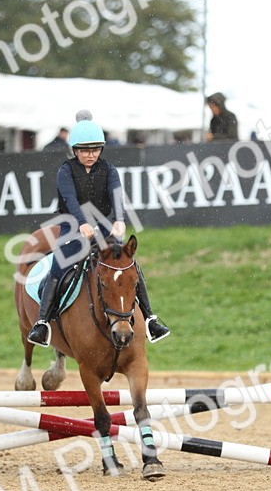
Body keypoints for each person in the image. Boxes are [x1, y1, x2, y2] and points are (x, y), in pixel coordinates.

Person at [27, 119, 171, 347]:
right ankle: (42, 323)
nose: (90, 154)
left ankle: (151, 319)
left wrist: (120, 221)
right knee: (58, 267)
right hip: (73, 227)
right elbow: (70, 200)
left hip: (104, 229)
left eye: (94, 150)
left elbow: (116, 195)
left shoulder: (108, 169)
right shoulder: (66, 171)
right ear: (75, 150)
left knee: (129, 266)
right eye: (85, 151)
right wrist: (83, 224)